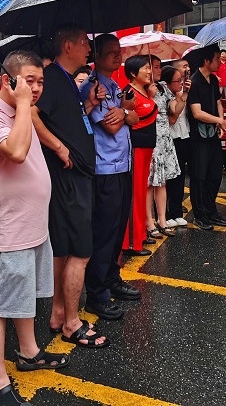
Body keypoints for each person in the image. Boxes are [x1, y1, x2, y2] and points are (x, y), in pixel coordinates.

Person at [0, 51, 69, 406]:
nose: (36, 88)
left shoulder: (18, 112)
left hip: (32, 225)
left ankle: (29, 352)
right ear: (7, 81)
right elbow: (15, 151)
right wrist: (25, 104)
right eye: (29, 81)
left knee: (23, 296)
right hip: (10, 231)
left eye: (40, 81)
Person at [31, 25, 108, 348]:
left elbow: (64, 121)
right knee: (80, 252)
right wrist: (59, 147)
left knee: (64, 249)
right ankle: (72, 324)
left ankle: (60, 314)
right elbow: (32, 114)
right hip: (68, 178)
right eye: (84, 43)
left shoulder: (65, 80)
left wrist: (87, 105)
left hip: (74, 177)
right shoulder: (51, 78)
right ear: (67, 46)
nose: (89, 49)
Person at [79, 34, 141, 321]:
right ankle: (97, 294)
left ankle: (112, 279)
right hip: (105, 169)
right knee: (104, 233)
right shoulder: (93, 87)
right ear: (97, 56)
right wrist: (126, 112)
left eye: (119, 51)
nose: (118, 56)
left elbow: (134, 119)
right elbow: (112, 126)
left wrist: (124, 111)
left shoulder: (115, 86)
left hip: (123, 165)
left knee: (117, 230)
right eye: (111, 52)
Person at [187, 45, 226, 230]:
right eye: (217, 58)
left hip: (212, 134)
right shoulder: (194, 82)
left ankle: (211, 211)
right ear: (206, 61)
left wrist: (219, 121)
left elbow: (218, 102)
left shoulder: (213, 79)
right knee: (199, 176)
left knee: (215, 174)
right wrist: (219, 121)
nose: (220, 62)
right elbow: (197, 113)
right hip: (198, 137)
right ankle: (199, 215)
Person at [122, 55, 158, 253]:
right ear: (133, 73)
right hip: (136, 148)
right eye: (145, 68)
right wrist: (151, 99)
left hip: (147, 147)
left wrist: (150, 97)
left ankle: (140, 235)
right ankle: (131, 242)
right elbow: (133, 120)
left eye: (150, 67)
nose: (149, 71)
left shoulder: (144, 91)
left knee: (142, 192)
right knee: (135, 194)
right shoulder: (128, 93)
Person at [147, 58, 185, 238]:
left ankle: (162, 220)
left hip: (165, 139)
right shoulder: (143, 89)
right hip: (150, 138)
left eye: (158, 67)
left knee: (162, 182)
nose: (158, 70)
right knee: (149, 183)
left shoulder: (163, 88)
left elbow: (174, 112)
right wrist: (149, 97)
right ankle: (149, 221)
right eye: (154, 67)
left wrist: (183, 96)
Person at [163, 61, 191, 227]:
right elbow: (173, 118)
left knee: (180, 176)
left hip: (183, 136)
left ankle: (176, 211)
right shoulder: (164, 96)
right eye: (177, 80)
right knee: (169, 178)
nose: (181, 82)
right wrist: (183, 96)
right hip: (169, 139)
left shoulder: (180, 93)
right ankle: (166, 213)